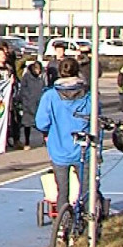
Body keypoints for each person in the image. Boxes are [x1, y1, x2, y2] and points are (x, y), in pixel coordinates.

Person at [34, 58, 95, 210]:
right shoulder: (88, 96)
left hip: (59, 148)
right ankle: (88, 221)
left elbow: (41, 122)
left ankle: (62, 224)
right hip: (83, 148)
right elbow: (96, 119)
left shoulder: (50, 96)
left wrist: (49, 130)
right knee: (87, 189)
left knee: (62, 191)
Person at [16, 61, 48, 150]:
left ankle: (45, 139)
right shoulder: (26, 77)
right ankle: (27, 142)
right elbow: (23, 91)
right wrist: (25, 102)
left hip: (38, 103)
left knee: (42, 122)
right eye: (36, 69)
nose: (38, 71)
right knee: (27, 124)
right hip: (28, 104)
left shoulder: (40, 78)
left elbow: (43, 88)